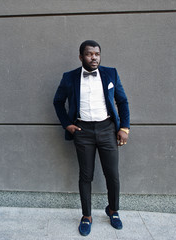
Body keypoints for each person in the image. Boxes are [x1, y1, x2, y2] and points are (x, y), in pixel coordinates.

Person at [53, 40, 130, 236]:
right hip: (82, 131)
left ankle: (113, 210)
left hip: (107, 130)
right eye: (89, 54)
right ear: (81, 57)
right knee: (85, 176)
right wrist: (67, 124)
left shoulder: (110, 73)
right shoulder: (69, 77)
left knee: (112, 174)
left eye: (97, 54)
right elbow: (58, 102)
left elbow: (122, 101)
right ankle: (86, 216)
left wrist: (124, 128)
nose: (94, 57)